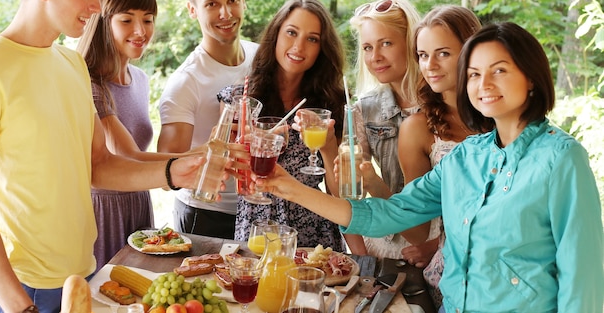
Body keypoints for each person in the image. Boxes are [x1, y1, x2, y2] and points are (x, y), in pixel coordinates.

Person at [258, 22, 604, 312]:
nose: (484, 84)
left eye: (499, 70)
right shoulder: (465, 157)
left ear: (530, 77)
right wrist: (285, 184)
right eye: (474, 74)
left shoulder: (561, 158)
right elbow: (386, 214)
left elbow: (583, 276)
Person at [0, 0, 209, 313]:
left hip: (82, 273)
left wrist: (176, 171)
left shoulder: (71, 65)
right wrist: (19, 306)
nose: (96, 6)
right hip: (22, 287)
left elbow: (99, 165)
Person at [77, 0, 195, 270]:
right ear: (105, 22)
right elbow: (129, 155)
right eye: (127, 20)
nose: (140, 31)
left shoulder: (140, 80)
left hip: (138, 204)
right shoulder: (90, 83)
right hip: (102, 211)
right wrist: (202, 157)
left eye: (148, 20)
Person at [219, 0, 346, 251]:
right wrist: (246, 148)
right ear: (276, 34)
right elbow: (222, 171)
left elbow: (339, 193)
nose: (299, 47)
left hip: (312, 234)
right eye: (291, 32)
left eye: (312, 39)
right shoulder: (240, 100)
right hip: (255, 229)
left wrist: (328, 144)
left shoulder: (330, 104)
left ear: (322, 48)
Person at [157, 0, 259, 239]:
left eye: (232, 0)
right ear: (193, 10)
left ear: (244, 0)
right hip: (207, 217)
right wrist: (211, 149)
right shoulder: (185, 83)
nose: (225, 13)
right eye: (212, 4)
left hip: (259, 210)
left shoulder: (261, 57)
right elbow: (164, 170)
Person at [341, 0, 440, 261]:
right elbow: (347, 194)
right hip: (388, 244)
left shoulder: (443, 101)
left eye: (386, 43)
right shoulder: (364, 109)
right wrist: (361, 259)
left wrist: (438, 247)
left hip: (443, 244)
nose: (375, 57)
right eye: (367, 47)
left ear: (410, 43)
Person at [397, 5, 481, 307]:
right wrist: (369, 184)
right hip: (454, 281)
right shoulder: (417, 130)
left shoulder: (502, 118)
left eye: (443, 53)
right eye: (422, 55)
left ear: (472, 52)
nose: (430, 65)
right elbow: (416, 227)